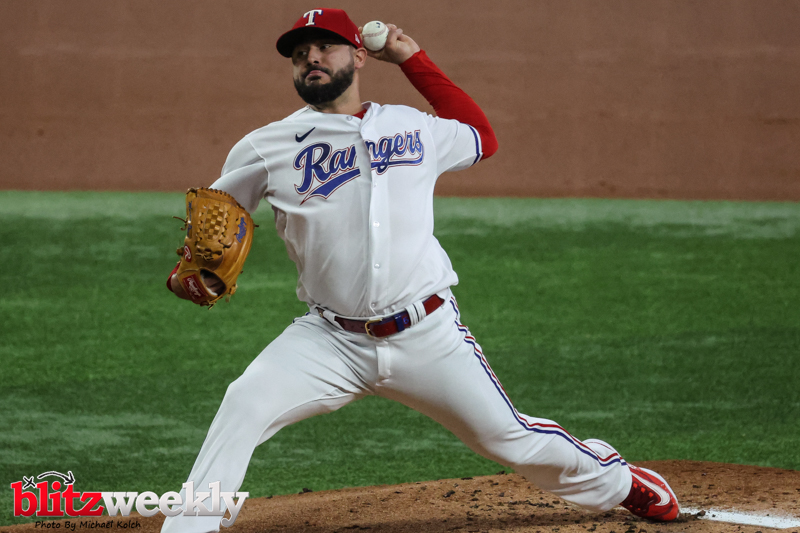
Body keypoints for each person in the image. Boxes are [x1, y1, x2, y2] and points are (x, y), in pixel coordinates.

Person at [162, 8, 680, 532]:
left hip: (427, 332)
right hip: (329, 340)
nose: (311, 58)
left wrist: (411, 58)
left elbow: (482, 136)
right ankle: (189, 525)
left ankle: (619, 482)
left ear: (359, 56)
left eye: (325, 47)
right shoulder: (265, 146)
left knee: (508, 439)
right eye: (300, 54)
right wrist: (193, 274)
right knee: (244, 402)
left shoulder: (411, 125)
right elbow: (216, 222)